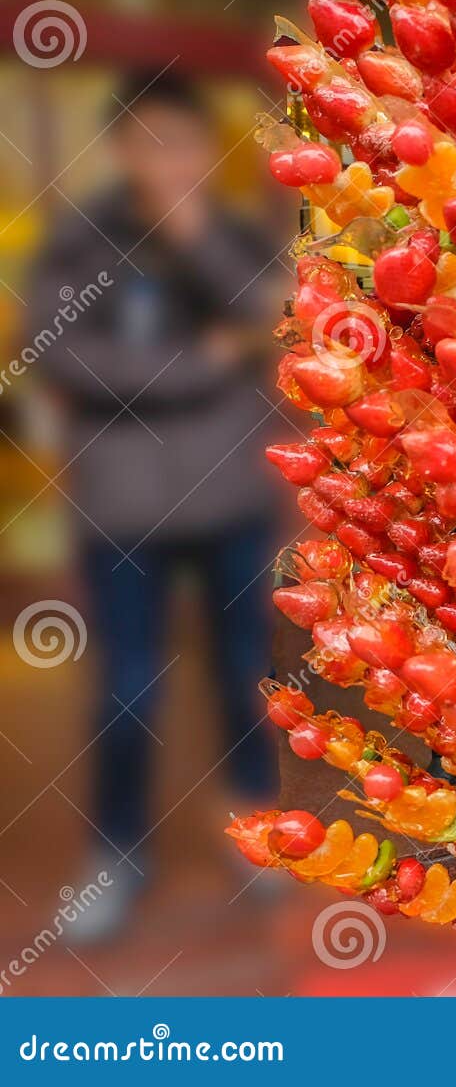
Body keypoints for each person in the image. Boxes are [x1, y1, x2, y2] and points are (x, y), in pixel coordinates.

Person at [24, 70, 283, 935]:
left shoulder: (235, 238)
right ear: (124, 148)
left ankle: (258, 833)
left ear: (208, 150)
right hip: (124, 507)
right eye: (149, 140)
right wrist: (204, 364)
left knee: (246, 675)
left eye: (184, 140)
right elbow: (66, 357)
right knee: (128, 686)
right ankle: (117, 855)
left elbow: (267, 312)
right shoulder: (83, 241)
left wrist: (199, 235)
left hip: (232, 500)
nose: (167, 158)